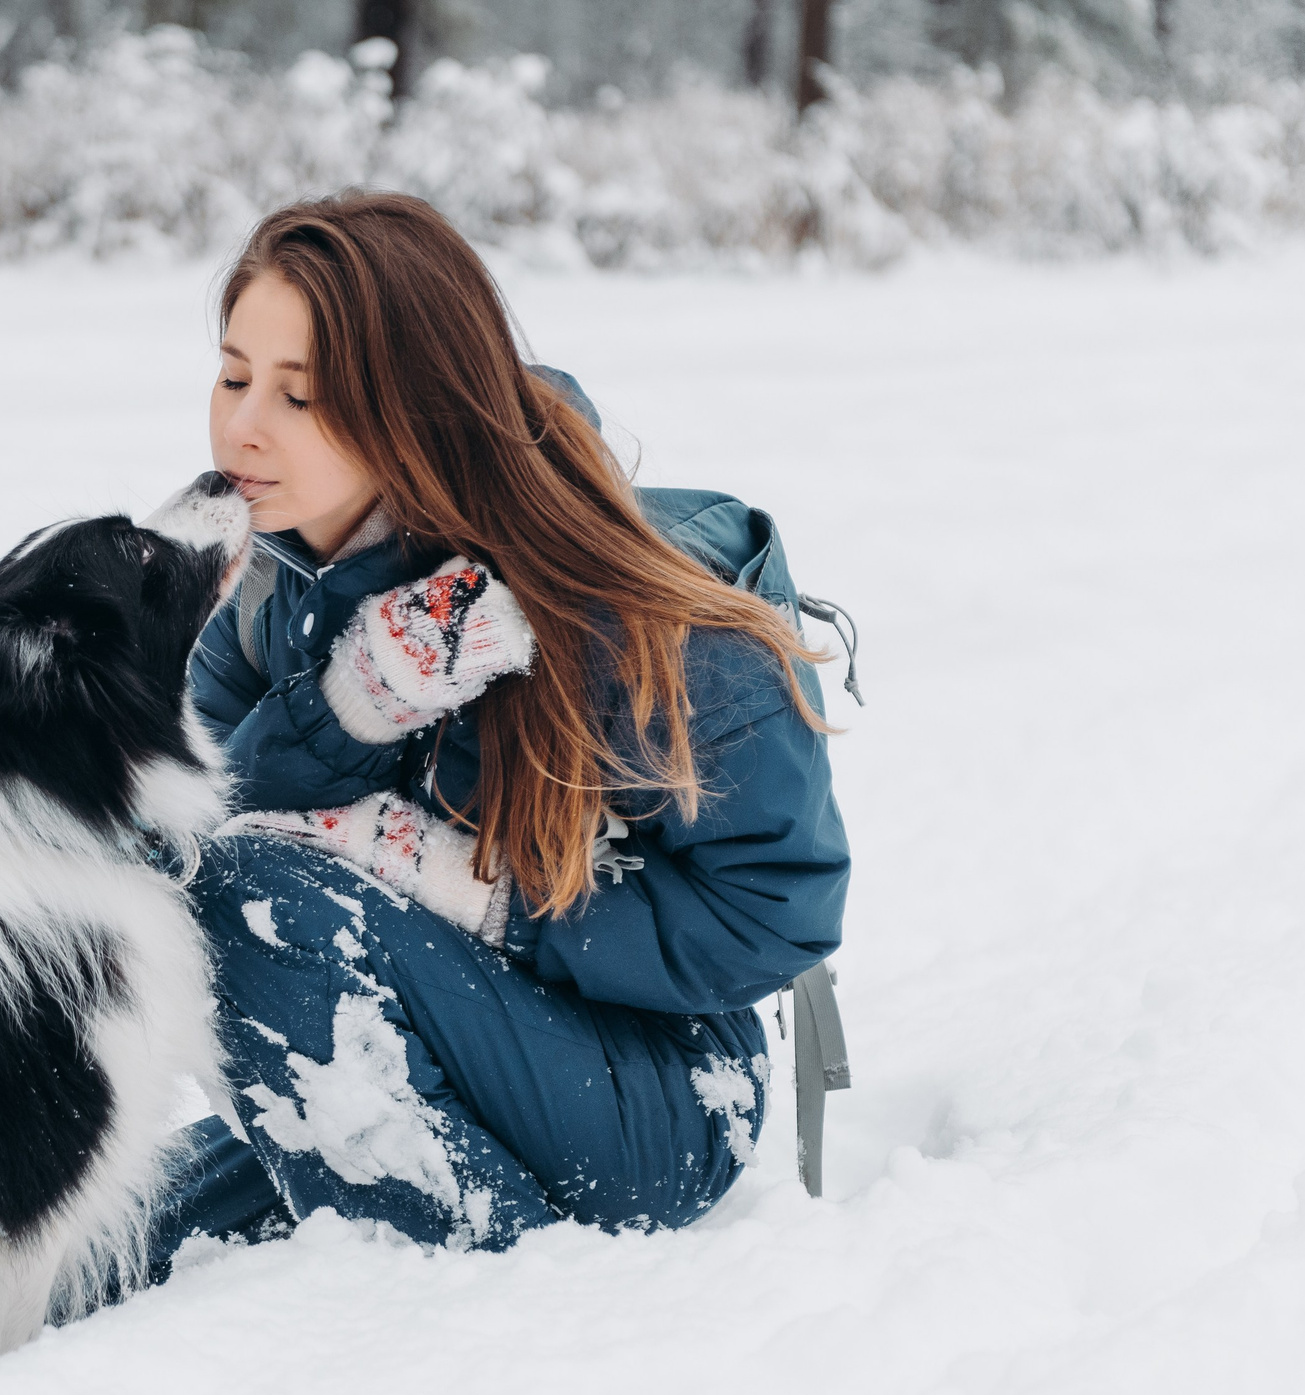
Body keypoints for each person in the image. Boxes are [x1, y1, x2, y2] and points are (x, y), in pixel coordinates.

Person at [152, 192, 849, 1266]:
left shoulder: (624, 604)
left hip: (653, 1092)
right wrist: (345, 708)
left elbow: (774, 912)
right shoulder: (271, 582)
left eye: (299, 395)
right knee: (97, 1241)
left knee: (248, 902)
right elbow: (181, 819)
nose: (241, 426)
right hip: (425, 1037)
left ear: (415, 407)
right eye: (235, 375)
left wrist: (482, 896)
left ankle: (453, 1310)